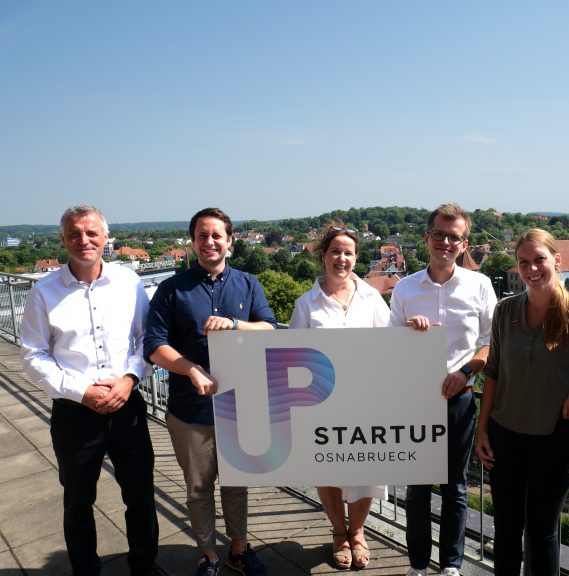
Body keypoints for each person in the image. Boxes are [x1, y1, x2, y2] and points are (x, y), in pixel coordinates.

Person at [20, 205, 161, 576]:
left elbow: (146, 340)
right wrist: (82, 391)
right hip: (74, 413)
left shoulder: (129, 283)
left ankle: (144, 568)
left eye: (92, 233)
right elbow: (33, 356)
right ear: (63, 239)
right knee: (78, 501)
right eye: (74, 234)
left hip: (127, 405)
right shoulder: (43, 292)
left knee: (141, 497)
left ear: (105, 237)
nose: (84, 240)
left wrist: (130, 379)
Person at [144, 207, 277, 576]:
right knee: (199, 488)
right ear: (193, 241)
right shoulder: (172, 289)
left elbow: (270, 330)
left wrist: (236, 324)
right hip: (190, 408)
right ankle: (208, 555)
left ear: (230, 241)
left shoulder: (248, 284)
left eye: (217, 235)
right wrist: (191, 370)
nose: (209, 242)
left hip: (240, 404)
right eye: (202, 235)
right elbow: (154, 345)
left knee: (237, 484)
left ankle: (238, 549)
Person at [475, 228, 569, 575]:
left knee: (542, 531)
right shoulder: (505, 310)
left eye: (539, 260)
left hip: (554, 437)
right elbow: (494, 373)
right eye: (524, 262)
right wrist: (482, 430)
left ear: (556, 261)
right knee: (506, 530)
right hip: (505, 435)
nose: (532, 269)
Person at [389, 203, 496, 576]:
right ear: (427, 238)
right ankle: (418, 565)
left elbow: (491, 343)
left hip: (460, 400)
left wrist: (467, 370)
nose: (446, 242)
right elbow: (391, 348)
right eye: (440, 234)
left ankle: (450, 566)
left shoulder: (480, 285)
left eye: (454, 237)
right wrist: (407, 333)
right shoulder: (404, 288)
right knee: (416, 489)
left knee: (454, 489)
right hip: (416, 402)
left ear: (464, 243)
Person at [289, 223, 390, 570]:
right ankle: (338, 532)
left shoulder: (372, 298)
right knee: (328, 469)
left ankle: (358, 532)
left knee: (366, 470)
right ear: (323, 255)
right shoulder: (306, 304)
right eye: (335, 251)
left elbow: (391, 346)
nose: (342, 258)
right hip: (322, 402)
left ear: (356, 257)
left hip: (366, 400)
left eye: (348, 252)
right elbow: (293, 356)